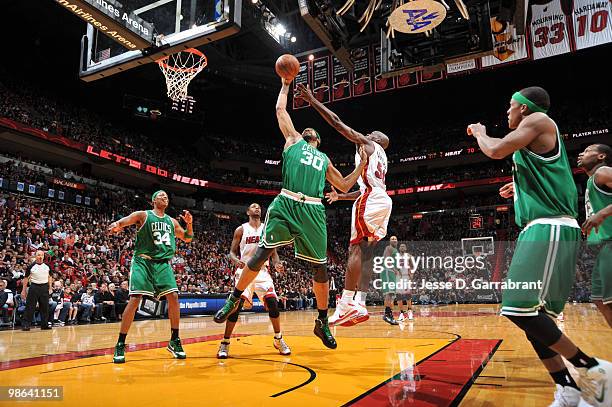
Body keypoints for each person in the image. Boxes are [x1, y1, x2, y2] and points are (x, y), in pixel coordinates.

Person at [468, 87, 612, 407]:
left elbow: (495, 150)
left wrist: (480, 133)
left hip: (550, 228)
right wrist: (517, 186)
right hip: (543, 228)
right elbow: (544, 174)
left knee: (516, 304)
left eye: (509, 106)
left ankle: (593, 369)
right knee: (535, 319)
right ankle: (567, 389)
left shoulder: (538, 119)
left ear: (523, 107)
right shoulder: (532, 137)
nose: (507, 111)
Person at [213, 78, 368, 350]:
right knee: (261, 254)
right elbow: (280, 111)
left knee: (319, 267)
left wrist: (361, 167)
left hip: (313, 209)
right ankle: (234, 297)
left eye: (313, 132)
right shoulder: (293, 139)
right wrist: (285, 85)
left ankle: (321, 321)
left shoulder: (324, 159)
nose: (309, 131)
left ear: (317, 141)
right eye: (307, 129)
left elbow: (343, 185)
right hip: (286, 203)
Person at [297, 83, 392, 327]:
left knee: (355, 250)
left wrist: (313, 100)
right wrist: (341, 197)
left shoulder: (369, 146)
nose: (368, 134)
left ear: (378, 141)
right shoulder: (381, 158)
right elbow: (365, 188)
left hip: (371, 198)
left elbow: (337, 122)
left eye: (373, 134)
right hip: (381, 199)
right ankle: (360, 301)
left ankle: (346, 303)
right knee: (368, 253)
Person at [108, 190, 194, 363]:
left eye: (167, 196)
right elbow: (126, 221)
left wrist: (190, 224)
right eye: (161, 195)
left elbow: (187, 238)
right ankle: (120, 343)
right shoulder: (143, 215)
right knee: (135, 299)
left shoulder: (171, 221)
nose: (165, 197)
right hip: (143, 261)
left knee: (174, 297)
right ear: (153, 200)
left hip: (163, 263)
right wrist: (117, 225)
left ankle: (175, 340)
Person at [217, 203, 290, 359]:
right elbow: (231, 252)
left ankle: (278, 339)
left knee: (273, 304)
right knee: (235, 308)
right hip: (245, 270)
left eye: (259, 207)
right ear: (248, 211)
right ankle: (225, 343)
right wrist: (236, 260)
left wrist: (277, 263)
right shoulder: (241, 229)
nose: (257, 208)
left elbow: (274, 251)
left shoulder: (267, 228)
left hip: (262, 271)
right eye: (253, 206)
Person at [578, 143, 612, 328]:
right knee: (600, 301)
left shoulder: (604, 172)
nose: (582, 153)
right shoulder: (592, 180)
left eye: (588, 150)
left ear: (601, 156)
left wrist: (603, 213)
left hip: (610, 242)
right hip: (601, 248)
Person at [21, 250, 52, 331]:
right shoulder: (31, 266)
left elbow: (50, 277)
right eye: (38, 255)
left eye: (42, 255)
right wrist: (23, 291)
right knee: (30, 307)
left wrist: (50, 287)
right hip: (34, 287)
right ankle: (26, 325)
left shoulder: (47, 266)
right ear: (35, 256)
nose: (40, 256)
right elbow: (25, 279)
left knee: (45, 307)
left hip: (44, 287)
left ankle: (44, 325)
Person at [381, 236, 400, 325]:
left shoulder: (395, 250)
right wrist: (393, 269)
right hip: (388, 271)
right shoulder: (389, 248)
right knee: (389, 293)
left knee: (392, 294)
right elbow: (386, 259)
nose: (394, 240)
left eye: (395, 239)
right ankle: (387, 314)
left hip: (391, 272)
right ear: (389, 241)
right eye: (392, 239)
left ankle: (389, 314)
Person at [396, 243, 414, 322]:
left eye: (404, 246)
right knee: (398, 296)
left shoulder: (409, 256)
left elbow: (413, 266)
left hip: (406, 276)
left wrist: (411, 274)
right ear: (399, 248)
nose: (402, 247)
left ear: (406, 248)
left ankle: (410, 311)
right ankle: (401, 313)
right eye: (401, 246)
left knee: (407, 295)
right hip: (398, 277)